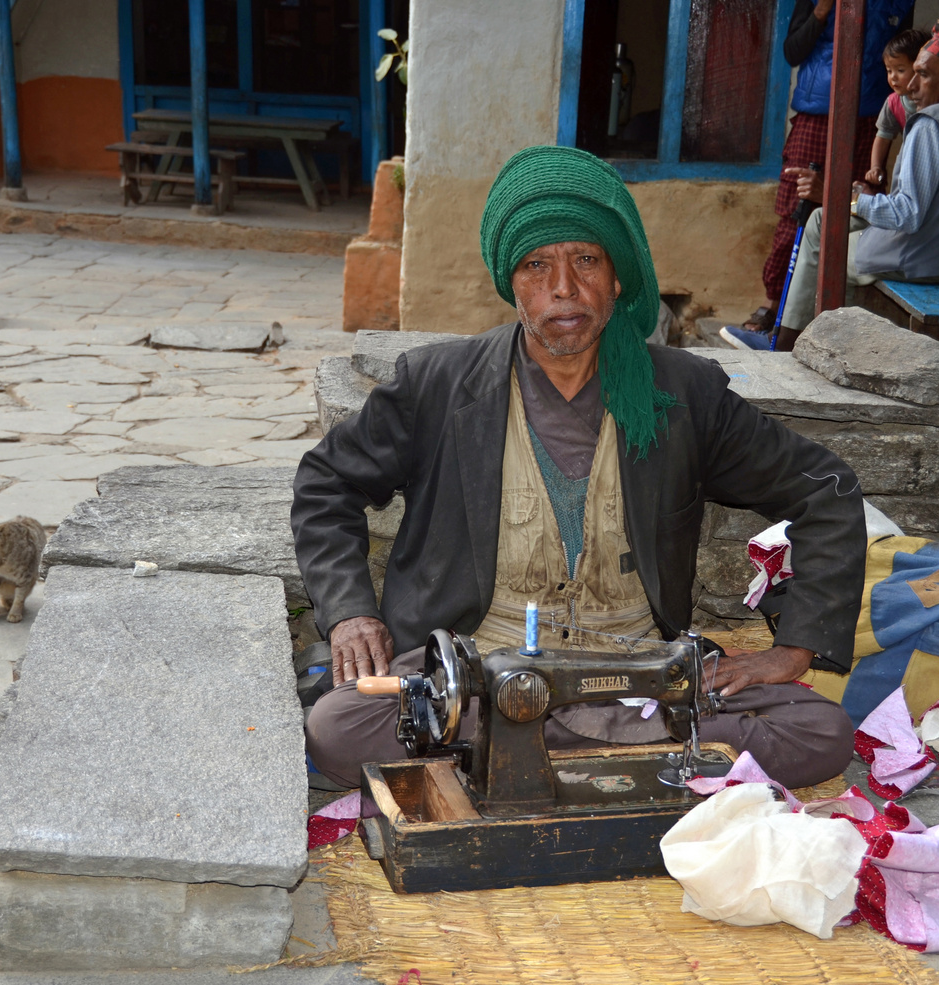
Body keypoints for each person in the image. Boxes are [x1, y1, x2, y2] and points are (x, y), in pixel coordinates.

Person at [293, 145, 866, 791]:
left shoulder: (680, 394)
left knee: (818, 733)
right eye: (537, 266)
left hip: (634, 673)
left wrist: (791, 650)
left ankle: (519, 761)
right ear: (510, 281)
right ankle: (623, 767)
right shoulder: (439, 385)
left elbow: (826, 491)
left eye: (585, 261)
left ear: (616, 277)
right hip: (478, 668)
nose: (562, 288)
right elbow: (326, 484)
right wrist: (349, 613)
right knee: (340, 727)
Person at [761, 21, 939, 351]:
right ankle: (794, 337)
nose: (909, 86)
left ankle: (790, 344)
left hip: (917, 258)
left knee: (829, 242)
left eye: (922, 74)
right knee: (821, 219)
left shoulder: (931, 122)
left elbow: (908, 214)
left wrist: (842, 199)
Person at [746, 0, 916, 333]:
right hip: (816, 111)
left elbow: (905, 55)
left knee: (859, 206)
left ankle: (835, 313)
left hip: (870, 117)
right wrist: (822, 10)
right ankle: (774, 304)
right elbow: (792, 52)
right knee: (795, 208)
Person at [865, 27, 931, 189]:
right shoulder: (893, 103)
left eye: (900, 70)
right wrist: (875, 167)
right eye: (889, 70)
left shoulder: (933, 100)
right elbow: (882, 136)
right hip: (909, 157)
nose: (893, 77)